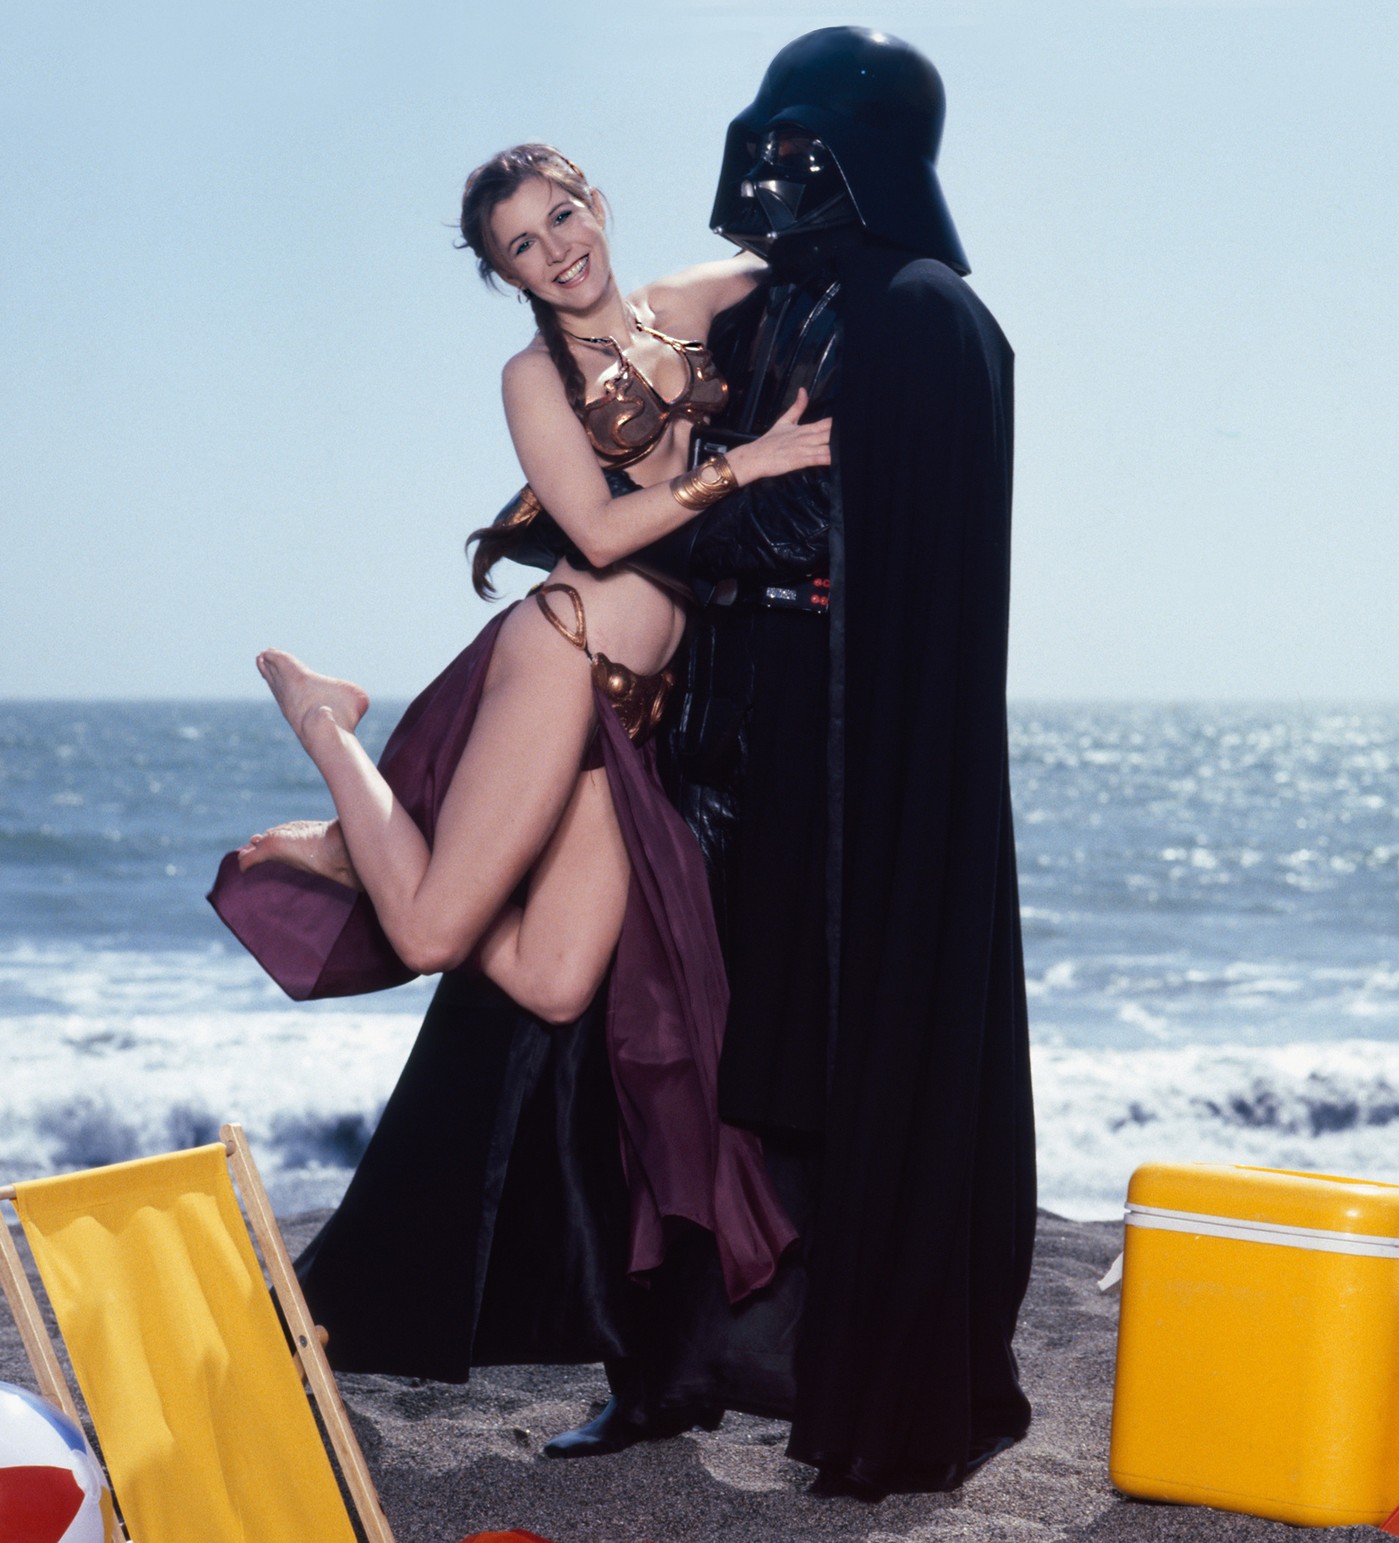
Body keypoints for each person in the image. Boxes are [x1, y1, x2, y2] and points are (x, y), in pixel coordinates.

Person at [208, 143, 829, 1381]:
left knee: (552, 984)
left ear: (595, 198)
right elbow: (597, 528)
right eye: (523, 249)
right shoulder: (531, 378)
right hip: (566, 648)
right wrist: (743, 463)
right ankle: (326, 724)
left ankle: (358, 857)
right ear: (506, 276)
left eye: (561, 217)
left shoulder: (685, 302)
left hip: (641, 706)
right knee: (436, 935)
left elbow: (794, 267)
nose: (557, 251)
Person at [516, 29, 1037, 1497]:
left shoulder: (929, 321)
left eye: (802, 144)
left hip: (841, 749)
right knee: (659, 1036)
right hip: (716, 717)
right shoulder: (756, 319)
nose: (765, 171)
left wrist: (663, 514)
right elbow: (626, 454)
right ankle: (663, 1368)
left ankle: (840, 1378)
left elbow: (817, 536)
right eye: (761, 137)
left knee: (812, 1052)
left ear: (865, 157)